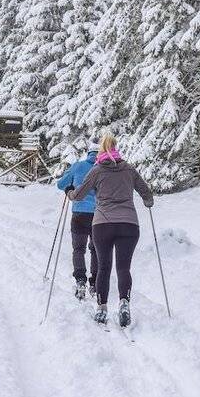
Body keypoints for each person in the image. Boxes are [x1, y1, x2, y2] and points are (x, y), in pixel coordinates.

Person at [66, 131, 153, 327]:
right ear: (116, 149)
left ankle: (102, 308)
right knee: (124, 268)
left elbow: (79, 194)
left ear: (101, 151)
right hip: (129, 224)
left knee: (104, 267)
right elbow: (146, 192)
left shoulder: (96, 171)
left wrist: (70, 193)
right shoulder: (129, 169)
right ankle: (124, 303)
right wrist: (148, 201)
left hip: (103, 224)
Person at [56, 138, 99, 300]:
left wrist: (70, 187)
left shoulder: (78, 166)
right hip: (99, 215)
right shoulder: (103, 168)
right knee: (96, 249)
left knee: (78, 249)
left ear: (88, 153)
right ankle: (95, 283)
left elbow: (61, 184)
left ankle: (80, 280)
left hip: (79, 214)